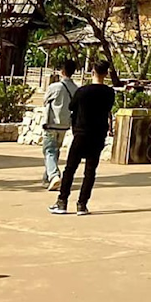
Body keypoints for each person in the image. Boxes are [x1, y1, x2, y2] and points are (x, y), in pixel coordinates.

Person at [50, 60, 115, 216]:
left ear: (92, 72)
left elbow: (72, 106)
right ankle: (82, 204)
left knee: (70, 168)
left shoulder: (82, 91)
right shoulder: (109, 92)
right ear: (106, 74)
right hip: (98, 134)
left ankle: (62, 201)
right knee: (90, 171)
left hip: (81, 132)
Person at [40, 59, 80, 190]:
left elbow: (45, 101)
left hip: (51, 124)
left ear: (62, 71)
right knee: (54, 151)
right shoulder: (76, 89)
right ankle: (47, 179)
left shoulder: (54, 87)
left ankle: (53, 175)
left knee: (49, 150)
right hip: (64, 125)